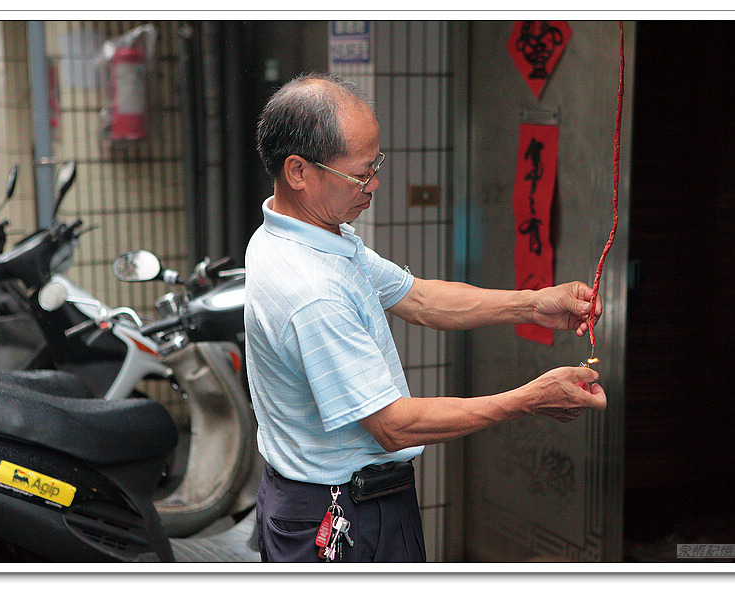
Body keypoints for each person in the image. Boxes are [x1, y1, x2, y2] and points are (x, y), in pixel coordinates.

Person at [244, 72, 607, 563]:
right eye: (361, 174)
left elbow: (418, 297)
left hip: (333, 500)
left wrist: (533, 304)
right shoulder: (312, 291)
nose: (375, 184)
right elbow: (393, 426)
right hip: (339, 514)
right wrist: (527, 399)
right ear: (298, 171)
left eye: (377, 166)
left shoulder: (297, 231)